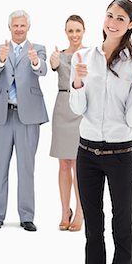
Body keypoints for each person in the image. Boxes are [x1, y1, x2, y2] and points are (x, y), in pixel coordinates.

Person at [70, 0, 132, 264]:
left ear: (130, 24)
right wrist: (76, 82)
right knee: (94, 231)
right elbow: (78, 109)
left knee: (122, 230)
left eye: (121, 18)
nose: (113, 22)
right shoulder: (84, 58)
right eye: (110, 15)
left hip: (120, 156)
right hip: (87, 153)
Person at [0, 10, 48, 231]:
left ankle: (27, 216)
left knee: (26, 167)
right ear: (9, 27)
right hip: (3, 115)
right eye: (15, 26)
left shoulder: (38, 49)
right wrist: (2, 58)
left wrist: (33, 62)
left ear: (28, 27)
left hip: (28, 116)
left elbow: (42, 70)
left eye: (22, 26)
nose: (19, 29)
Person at [50, 15, 85, 231]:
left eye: (77, 30)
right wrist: (53, 63)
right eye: (70, 31)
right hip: (62, 107)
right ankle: (65, 211)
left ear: (84, 31)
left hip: (81, 108)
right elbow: (52, 68)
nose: (74, 35)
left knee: (79, 164)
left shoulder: (90, 54)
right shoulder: (59, 55)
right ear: (66, 32)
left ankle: (80, 212)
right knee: (63, 164)